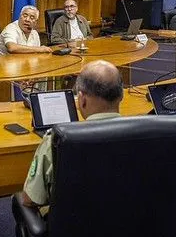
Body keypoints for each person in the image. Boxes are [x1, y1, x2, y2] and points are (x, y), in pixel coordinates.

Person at [21, 60, 123, 208]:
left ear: (82, 100)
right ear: (121, 96)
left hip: (74, 222)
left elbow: (30, 199)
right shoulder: (148, 134)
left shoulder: (58, 140)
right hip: (133, 220)